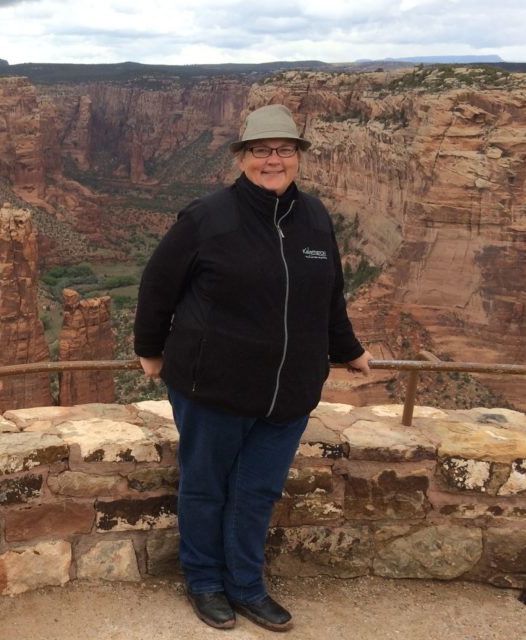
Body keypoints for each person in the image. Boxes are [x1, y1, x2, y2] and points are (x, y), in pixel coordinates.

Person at [133, 104, 372, 632]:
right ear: (241, 157)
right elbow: (158, 286)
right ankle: (204, 582)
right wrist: (150, 350)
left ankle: (246, 585)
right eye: (261, 150)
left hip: (288, 393)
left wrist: (349, 348)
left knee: (257, 491)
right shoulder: (207, 218)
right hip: (211, 388)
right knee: (204, 486)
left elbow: (330, 296)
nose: (273, 159)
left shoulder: (314, 217)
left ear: (298, 158)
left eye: (284, 150)